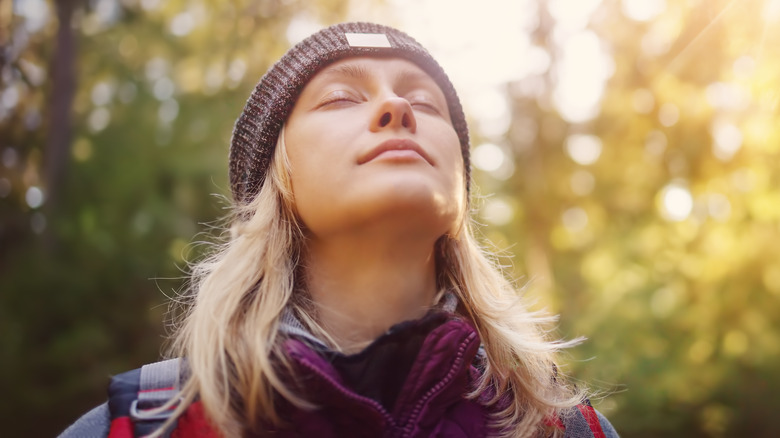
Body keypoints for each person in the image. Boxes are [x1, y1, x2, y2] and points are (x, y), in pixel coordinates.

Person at [60, 22, 618, 437]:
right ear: (277, 181)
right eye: (342, 98)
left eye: (426, 101)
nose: (398, 106)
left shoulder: (565, 429)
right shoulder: (141, 425)